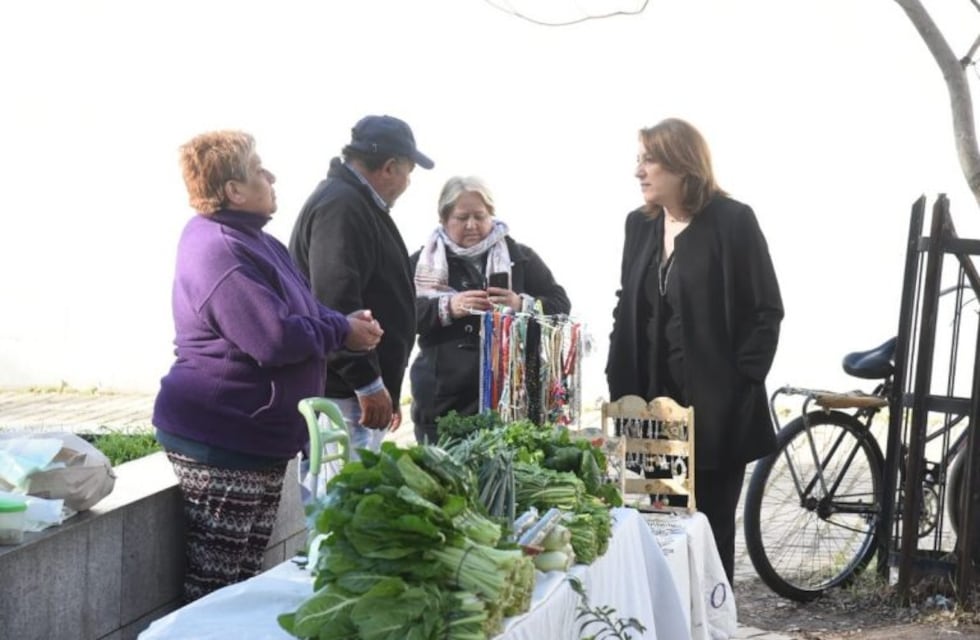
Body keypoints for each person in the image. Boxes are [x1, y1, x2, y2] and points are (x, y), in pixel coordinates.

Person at [153, 130, 383, 602]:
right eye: (259, 168)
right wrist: (342, 334)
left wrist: (341, 322)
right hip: (221, 439)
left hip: (255, 440)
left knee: (239, 581)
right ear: (234, 190)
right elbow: (272, 337)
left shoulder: (255, 239)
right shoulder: (217, 248)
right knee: (215, 588)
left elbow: (303, 308)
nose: (271, 175)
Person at [605, 118, 783, 585]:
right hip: (648, 408)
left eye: (649, 160)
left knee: (708, 533)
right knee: (656, 529)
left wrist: (740, 383)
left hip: (715, 410)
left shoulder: (733, 220)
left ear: (683, 165)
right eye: (639, 160)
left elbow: (766, 310)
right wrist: (614, 368)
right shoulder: (638, 226)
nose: (638, 171)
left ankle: (713, 627)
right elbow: (628, 302)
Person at [289, 115, 433, 454]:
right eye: (408, 172)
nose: (407, 182)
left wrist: (384, 387)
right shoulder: (342, 205)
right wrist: (368, 384)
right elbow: (336, 301)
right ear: (389, 168)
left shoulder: (354, 201)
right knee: (337, 501)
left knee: (346, 497)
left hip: (351, 393)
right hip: (341, 394)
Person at [410, 175, 571, 444]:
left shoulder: (520, 258)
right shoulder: (422, 262)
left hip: (513, 396)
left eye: (480, 216)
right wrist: (448, 306)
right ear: (444, 218)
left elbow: (560, 304)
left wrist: (521, 304)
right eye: (462, 218)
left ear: (491, 216)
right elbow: (402, 315)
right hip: (443, 397)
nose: (472, 225)